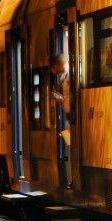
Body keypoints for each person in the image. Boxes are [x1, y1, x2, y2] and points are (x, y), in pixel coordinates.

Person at [49, 53, 72, 187]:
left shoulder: (70, 74)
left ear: (57, 65)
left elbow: (70, 97)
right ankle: (69, 179)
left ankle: (70, 179)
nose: (53, 72)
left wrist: (61, 99)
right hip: (69, 117)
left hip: (72, 118)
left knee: (69, 149)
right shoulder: (66, 76)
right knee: (68, 148)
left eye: (53, 68)